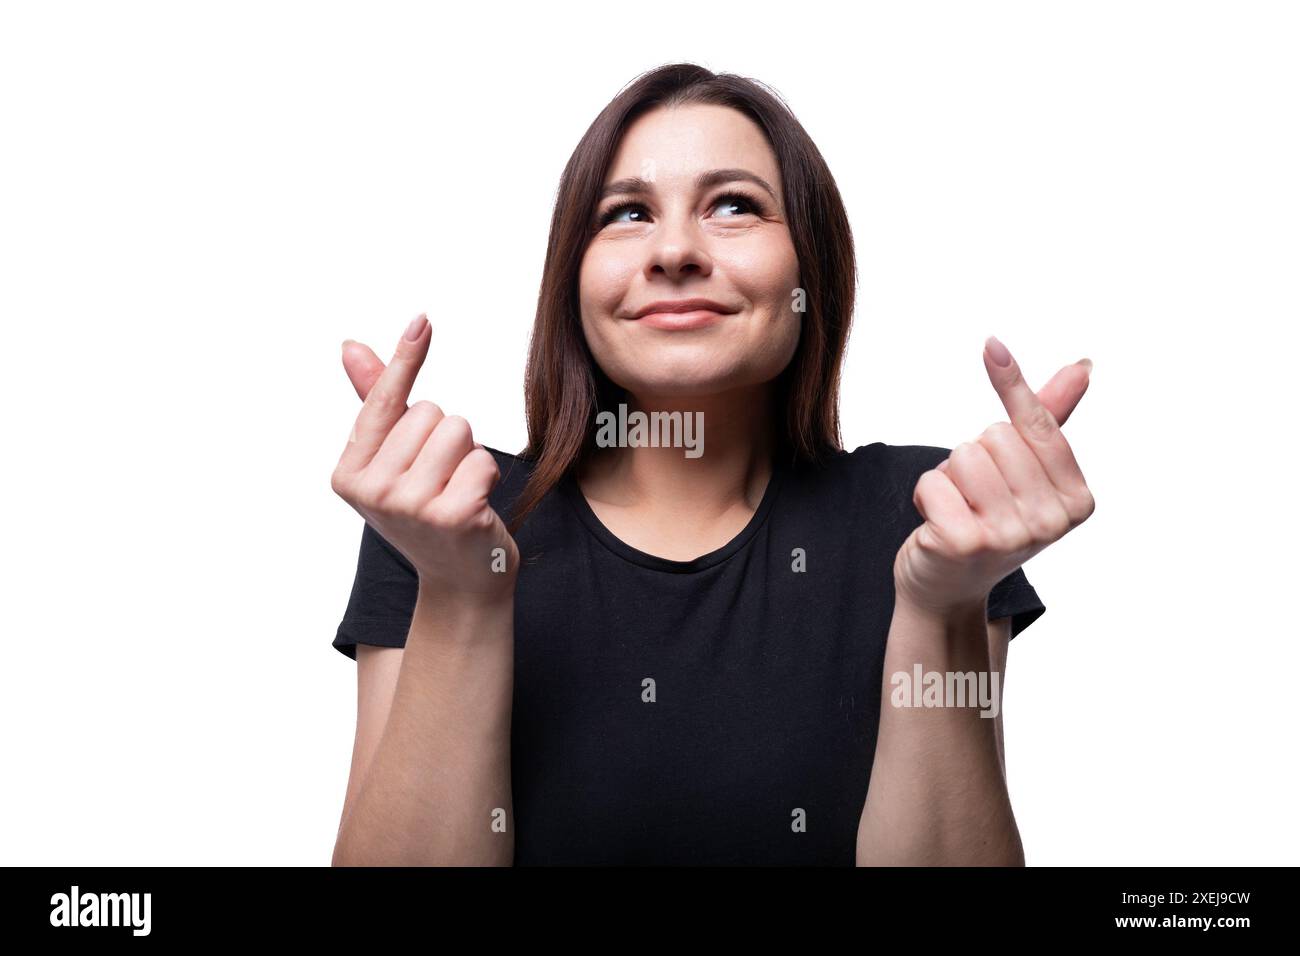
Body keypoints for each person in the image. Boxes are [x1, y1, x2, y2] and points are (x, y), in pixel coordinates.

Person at [328, 63, 1094, 866]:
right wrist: (458, 593)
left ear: (811, 268)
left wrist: (942, 610)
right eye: (626, 213)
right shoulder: (446, 517)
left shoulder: (931, 514)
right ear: (572, 279)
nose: (674, 251)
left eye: (734, 206)